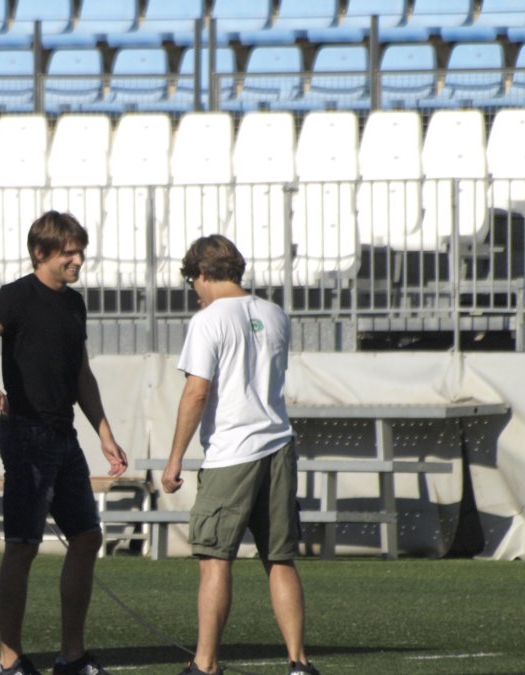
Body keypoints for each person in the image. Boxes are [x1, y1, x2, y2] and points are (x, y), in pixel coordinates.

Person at [0, 211, 128, 675]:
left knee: (87, 536)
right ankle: (8, 659)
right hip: (26, 435)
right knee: (23, 546)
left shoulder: (75, 304)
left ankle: (71, 656)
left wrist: (105, 433)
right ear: (41, 253)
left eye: (81, 252)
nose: (78, 260)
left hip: (63, 434)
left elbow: (81, 374)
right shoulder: (16, 296)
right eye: (69, 253)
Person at [160, 235, 318, 675]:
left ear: (202, 274)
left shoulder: (208, 320)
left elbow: (197, 392)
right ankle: (299, 662)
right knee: (279, 558)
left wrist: (175, 459)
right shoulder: (275, 313)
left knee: (215, 559)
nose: (195, 291)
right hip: (279, 445)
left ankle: (205, 663)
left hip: (232, 451)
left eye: (193, 282)